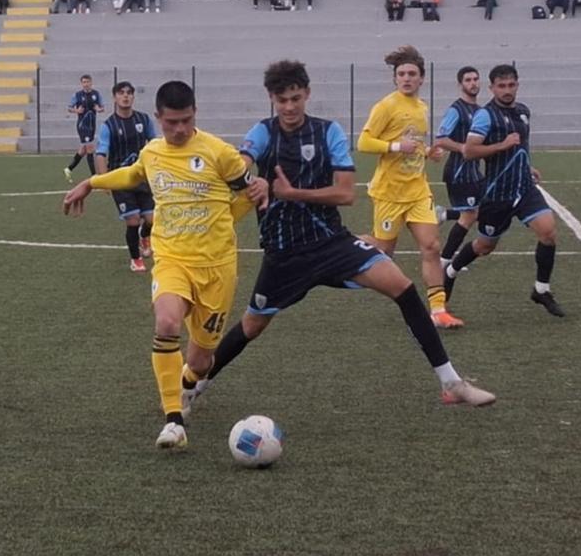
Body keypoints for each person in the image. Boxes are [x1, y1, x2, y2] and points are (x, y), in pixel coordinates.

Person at [182, 60, 497, 414]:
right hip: (284, 254)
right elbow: (242, 159)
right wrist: (248, 179)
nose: (289, 107)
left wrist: (293, 193)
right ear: (271, 98)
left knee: (404, 289)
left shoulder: (327, 132)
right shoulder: (264, 131)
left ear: (308, 94)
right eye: (281, 99)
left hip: (333, 243)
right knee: (253, 325)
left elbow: (346, 194)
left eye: (295, 98)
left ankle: (451, 382)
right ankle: (195, 384)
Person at [60, 80, 268, 450]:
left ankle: (188, 384)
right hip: (172, 258)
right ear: (158, 118)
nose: (179, 129)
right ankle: (173, 419)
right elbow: (134, 174)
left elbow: (247, 192)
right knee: (167, 320)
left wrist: (251, 197)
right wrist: (90, 182)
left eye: (186, 120)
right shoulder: (153, 152)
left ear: (195, 115)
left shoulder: (220, 153)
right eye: (171, 122)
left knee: (202, 360)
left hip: (217, 266)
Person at [443, 64, 565, 318]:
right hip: (497, 194)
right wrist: (502, 145)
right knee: (485, 246)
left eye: (511, 85)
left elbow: (521, 146)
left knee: (548, 232)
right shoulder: (485, 116)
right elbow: (470, 150)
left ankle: (541, 289)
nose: (507, 90)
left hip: (524, 188)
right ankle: (451, 270)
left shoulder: (523, 112)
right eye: (501, 86)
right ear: (492, 88)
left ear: (517, 85)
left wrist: (527, 166)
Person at [357, 46, 463, 329]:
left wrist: (428, 152)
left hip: (418, 191)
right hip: (389, 194)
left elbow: (413, 143)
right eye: (401, 73)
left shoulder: (421, 107)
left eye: (411, 74)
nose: (406, 78)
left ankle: (438, 310)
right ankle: (349, 245)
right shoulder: (386, 106)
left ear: (421, 79)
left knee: (431, 246)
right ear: (395, 78)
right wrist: (394, 146)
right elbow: (363, 143)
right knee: (383, 252)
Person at [94, 81, 156, 272]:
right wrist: (104, 180)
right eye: (121, 93)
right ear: (115, 97)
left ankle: (144, 237)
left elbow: (155, 145)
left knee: (152, 220)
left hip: (143, 178)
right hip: (120, 179)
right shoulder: (109, 125)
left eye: (129, 93)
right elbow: (101, 153)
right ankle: (135, 259)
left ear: (133, 96)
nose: (126, 96)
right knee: (133, 220)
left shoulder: (144, 120)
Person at [432, 67, 485, 271]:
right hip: (460, 173)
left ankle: (444, 214)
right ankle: (444, 262)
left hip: (474, 172)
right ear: (460, 84)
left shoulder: (479, 111)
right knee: (470, 216)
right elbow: (441, 139)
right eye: (468, 80)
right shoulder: (457, 110)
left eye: (475, 79)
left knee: (486, 210)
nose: (473, 83)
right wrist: (463, 147)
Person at [65, 75, 104, 178]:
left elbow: (102, 107)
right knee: (90, 148)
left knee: (83, 150)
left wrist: (98, 109)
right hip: (82, 125)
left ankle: (69, 168)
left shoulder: (96, 94)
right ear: (81, 83)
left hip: (92, 125)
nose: (86, 84)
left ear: (91, 82)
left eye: (87, 82)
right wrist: (76, 111)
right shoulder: (77, 95)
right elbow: (69, 108)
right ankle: (94, 175)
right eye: (84, 82)